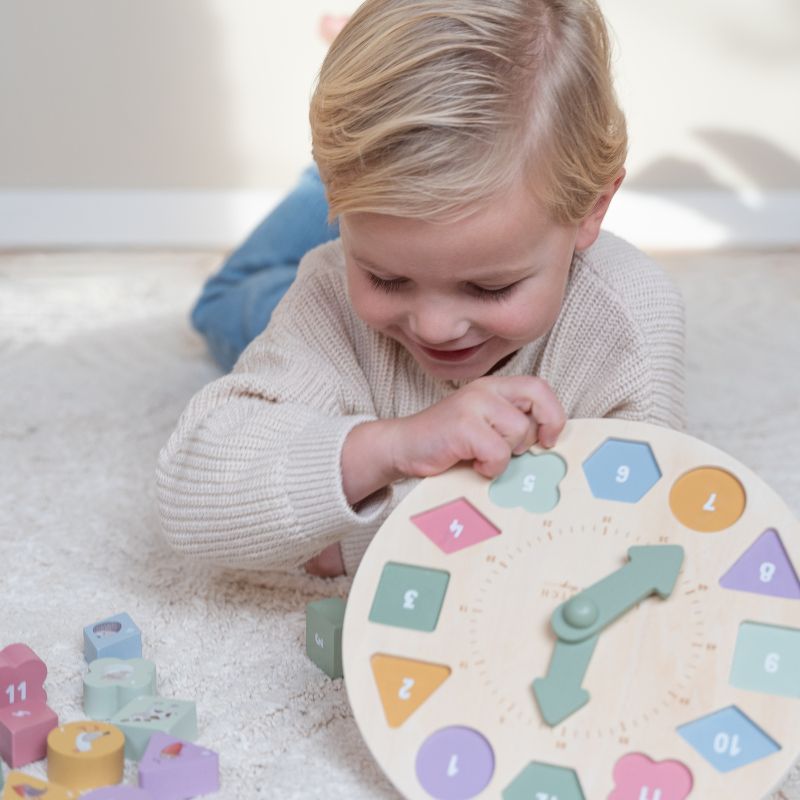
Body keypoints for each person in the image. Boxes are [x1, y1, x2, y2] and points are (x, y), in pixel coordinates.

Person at [157, 0, 686, 580]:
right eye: (388, 278)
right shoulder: (330, 294)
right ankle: (330, 181)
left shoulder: (630, 319)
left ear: (592, 210)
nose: (434, 328)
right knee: (228, 304)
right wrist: (392, 446)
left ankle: (354, 182)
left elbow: (621, 537)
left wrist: (351, 538)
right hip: (319, 270)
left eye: (489, 287)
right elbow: (190, 500)